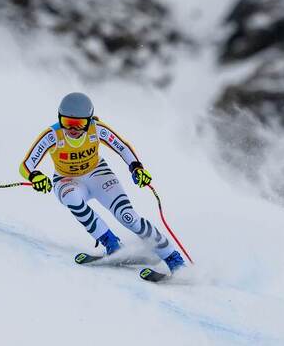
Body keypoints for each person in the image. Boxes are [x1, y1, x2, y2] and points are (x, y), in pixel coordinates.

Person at [19, 92, 185, 273]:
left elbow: (122, 146)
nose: (72, 130)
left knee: (128, 217)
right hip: (67, 179)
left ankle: (173, 258)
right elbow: (26, 165)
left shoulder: (96, 129)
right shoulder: (52, 135)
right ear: (59, 118)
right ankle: (112, 245)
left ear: (89, 121)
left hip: (98, 174)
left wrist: (136, 168)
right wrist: (35, 176)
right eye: (67, 122)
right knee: (72, 198)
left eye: (79, 124)